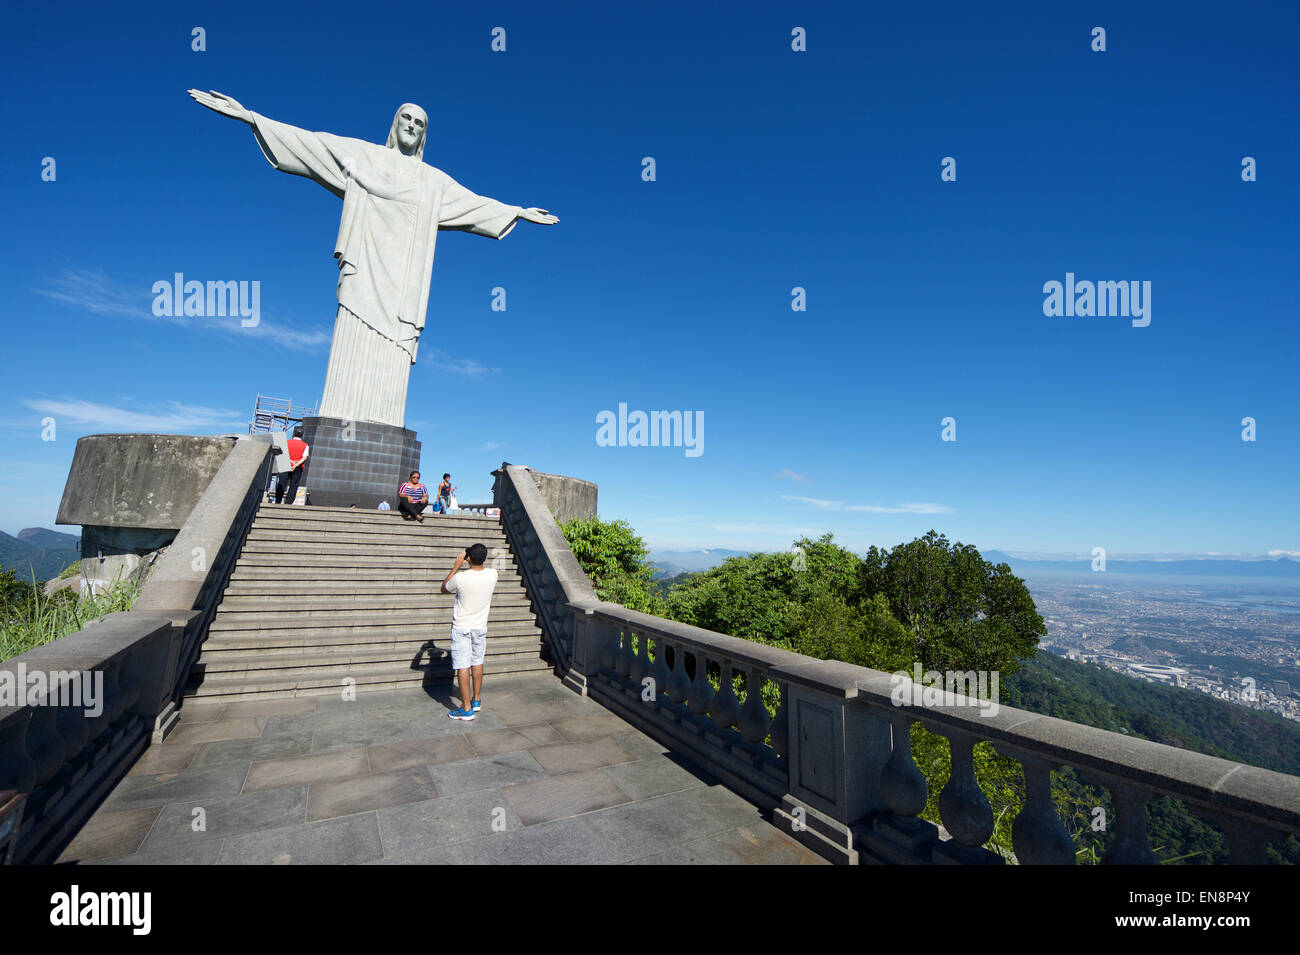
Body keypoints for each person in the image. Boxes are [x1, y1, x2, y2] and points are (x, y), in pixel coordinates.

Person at [441, 543, 497, 720]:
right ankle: (476, 700)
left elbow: (444, 588)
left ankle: (466, 709)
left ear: (468, 558)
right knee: (477, 661)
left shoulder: (460, 578)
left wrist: (456, 566)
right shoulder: (493, 574)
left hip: (462, 627)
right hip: (480, 626)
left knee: (463, 666)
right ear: (486, 559)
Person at [276, 428, 309, 504]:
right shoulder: (305, 445)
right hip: (298, 466)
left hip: (285, 463)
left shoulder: (286, 442)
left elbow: (283, 454)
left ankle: (278, 501)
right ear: (302, 435)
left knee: (282, 483)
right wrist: (295, 465)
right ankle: (288, 502)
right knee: (293, 485)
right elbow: (305, 457)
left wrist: (290, 462)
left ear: (294, 433)